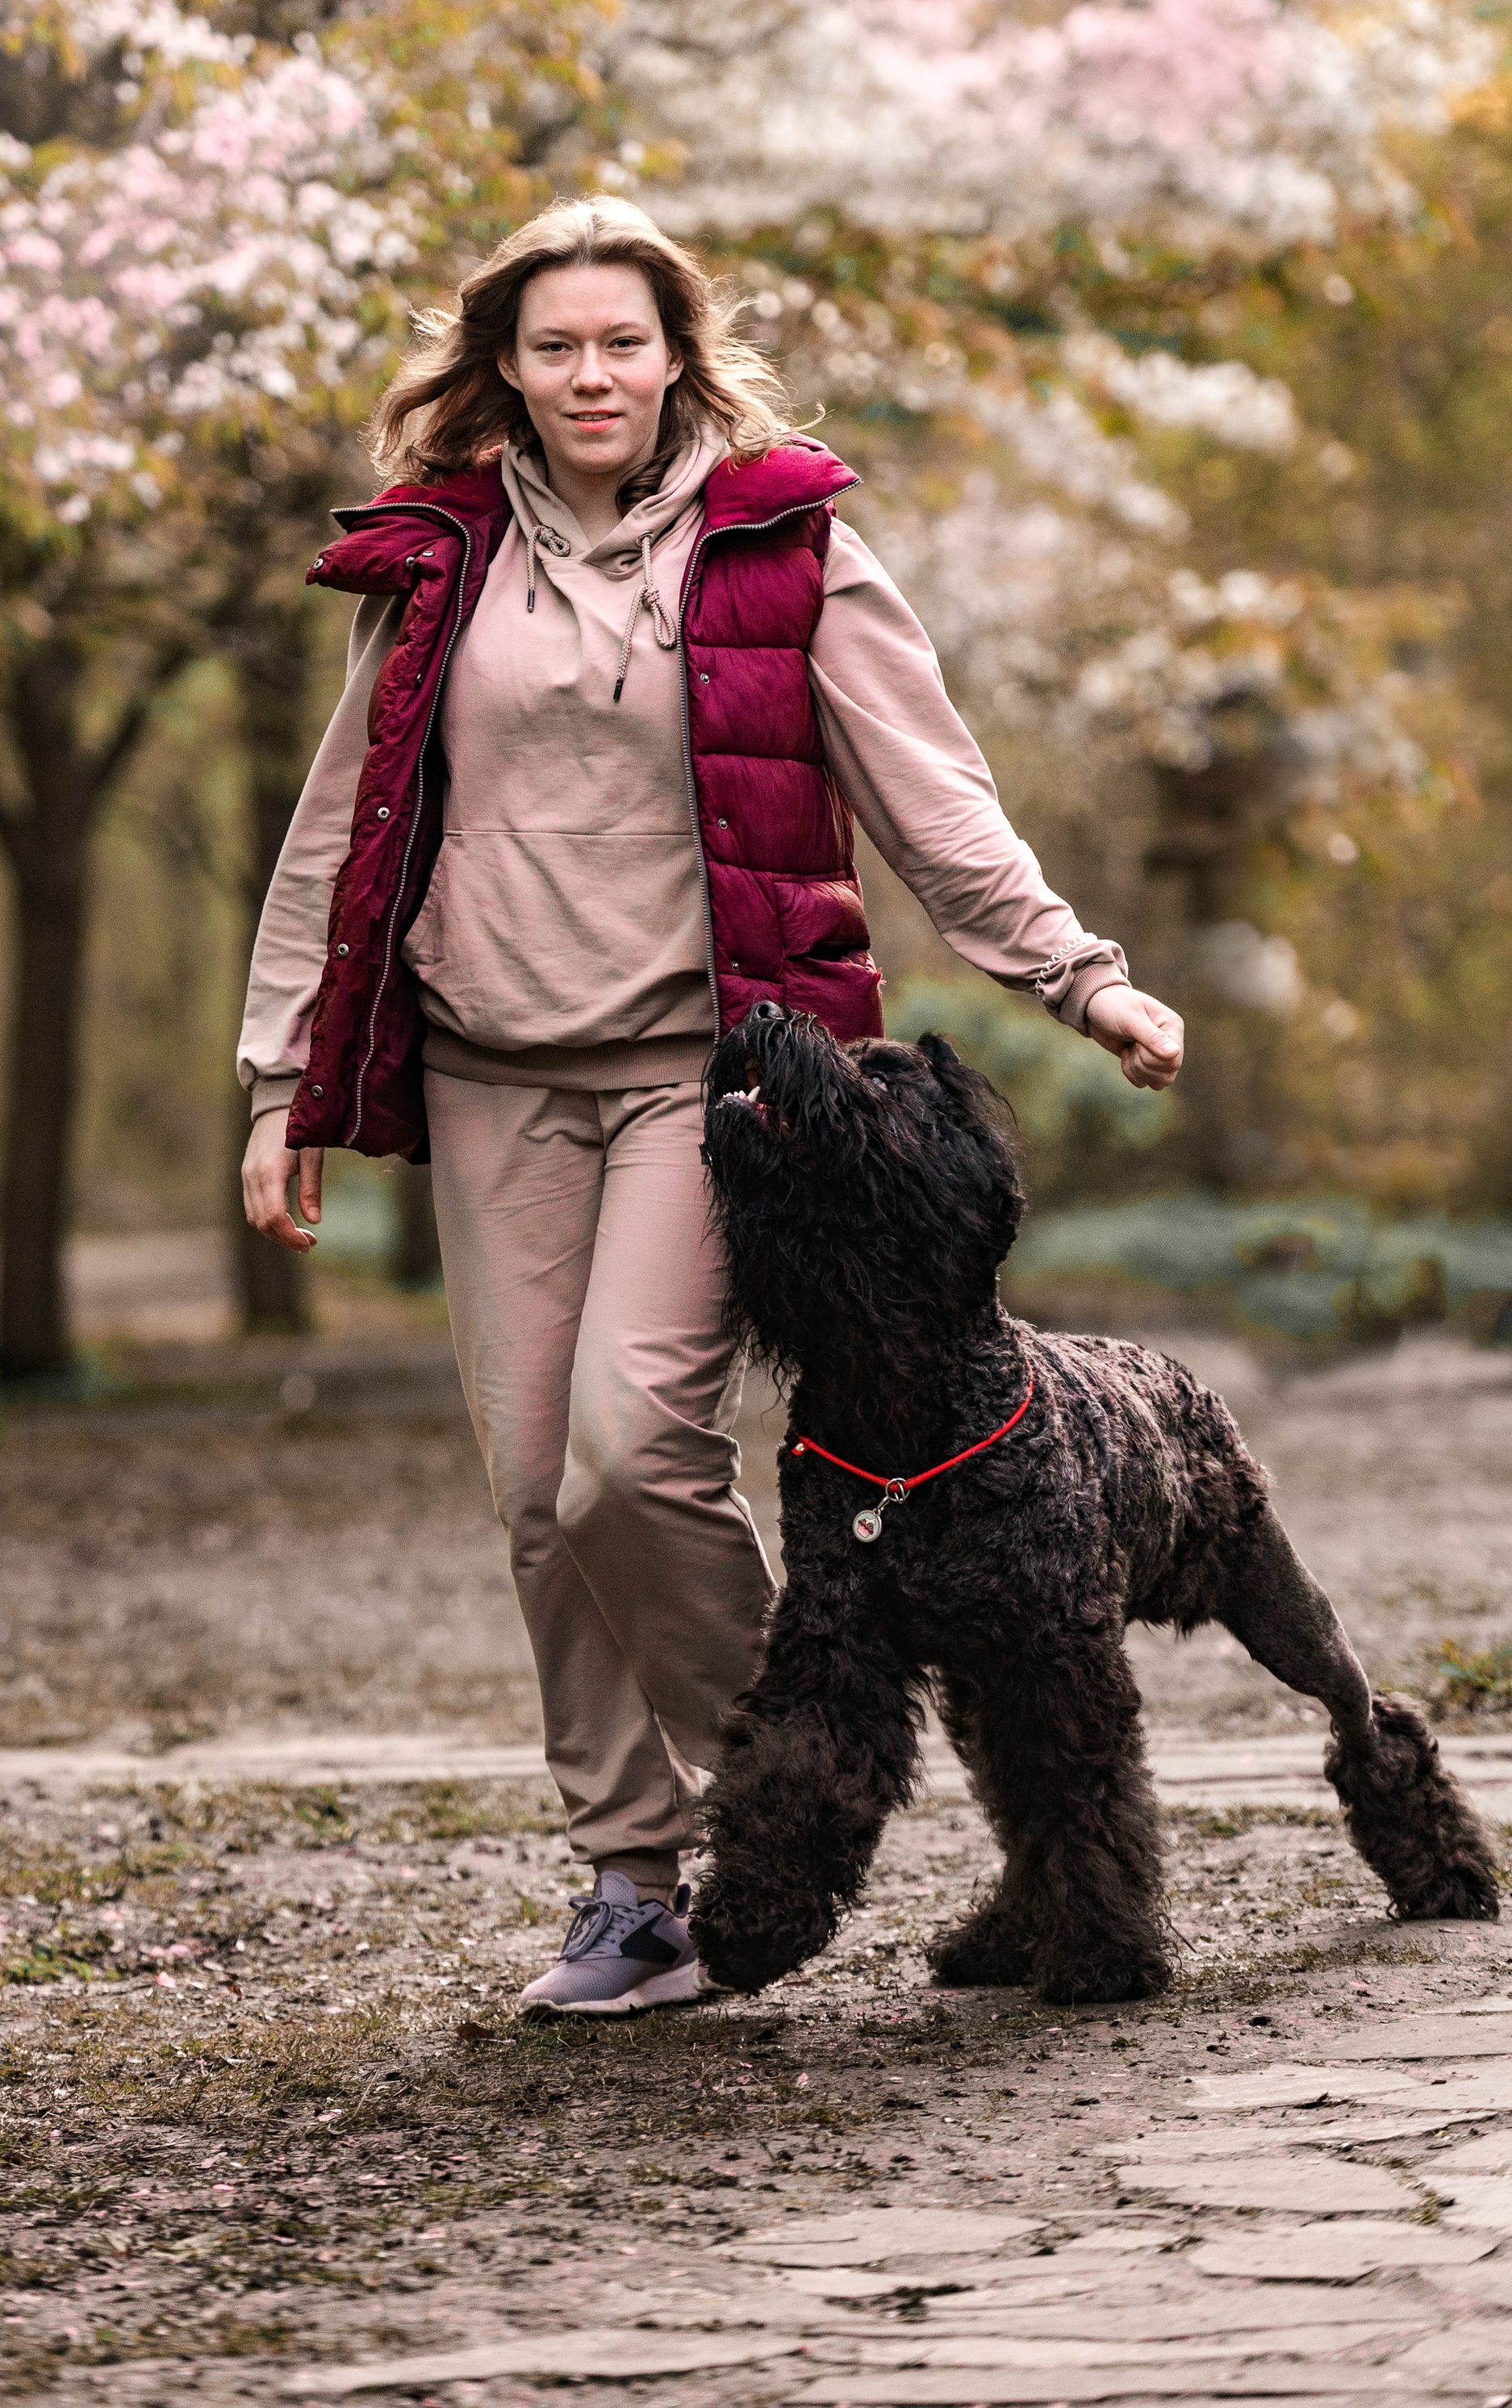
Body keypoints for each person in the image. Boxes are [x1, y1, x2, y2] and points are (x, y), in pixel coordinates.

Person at [237, 197, 1182, 2017]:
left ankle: (807, 1778)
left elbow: (931, 801)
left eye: (621, 341)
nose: (589, 374)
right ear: (500, 368)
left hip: (710, 1078)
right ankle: (628, 1881)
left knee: (628, 1449)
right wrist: (282, 1071)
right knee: (535, 1496)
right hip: (488, 1068)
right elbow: (334, 830)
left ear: (675, 356)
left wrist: (1078, 972)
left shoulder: (783, 548)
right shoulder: (434, 561)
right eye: (553, 345)